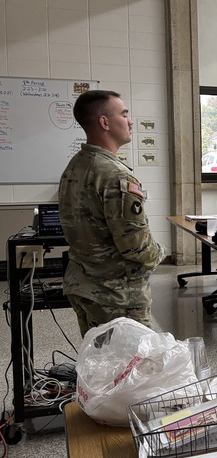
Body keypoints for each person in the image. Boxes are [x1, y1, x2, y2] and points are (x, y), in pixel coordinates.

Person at [58, 89, 164, 334]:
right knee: (130, 358)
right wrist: (160, 253)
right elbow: (136, 247)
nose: (130, 121)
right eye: (124, 114)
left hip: (84, 285)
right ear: (104, 122)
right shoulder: (115, 175)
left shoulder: (76, 165)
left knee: (99, 355)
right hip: (117, 296)